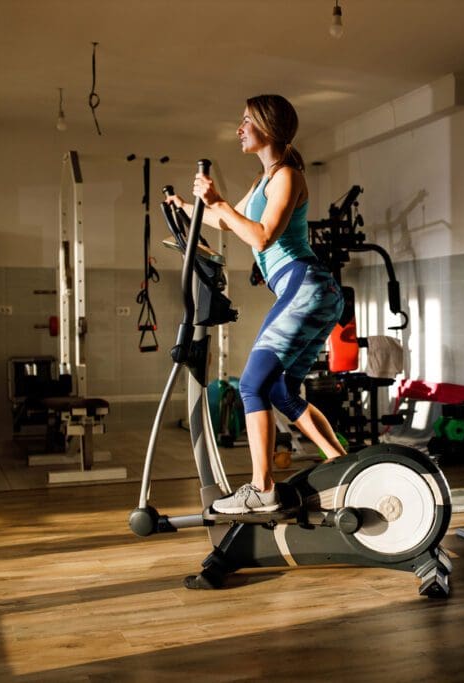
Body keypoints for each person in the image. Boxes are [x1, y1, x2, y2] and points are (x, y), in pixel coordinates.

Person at [166, 94, 347, 514]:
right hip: (309, 291)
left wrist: (219, 203)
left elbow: (261, 235)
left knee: (252, 385)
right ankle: (342, 466)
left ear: (267, 126)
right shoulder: (263, 181)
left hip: (305, 286)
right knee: (281, 390)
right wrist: (188, 210)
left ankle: (261, 488)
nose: (239, 128)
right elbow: (228, 221)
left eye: (246, 121)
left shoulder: (287, 176)